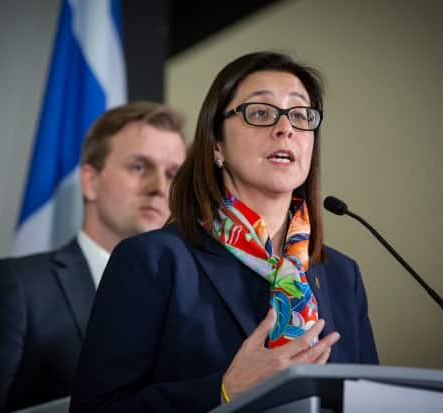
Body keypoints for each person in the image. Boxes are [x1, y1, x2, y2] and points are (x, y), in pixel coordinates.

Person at [70, 52, 379, 413]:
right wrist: (225, 390)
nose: (286, 129)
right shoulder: (154, 261)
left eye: (299, 115)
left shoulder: (342, 276)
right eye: (260, 113)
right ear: (216, 143)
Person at [0, 101, 187, 412]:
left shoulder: (187, 300)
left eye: (173, 174)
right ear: (90, 181)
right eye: (138, 167)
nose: (159, 187)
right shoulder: (16, 287)